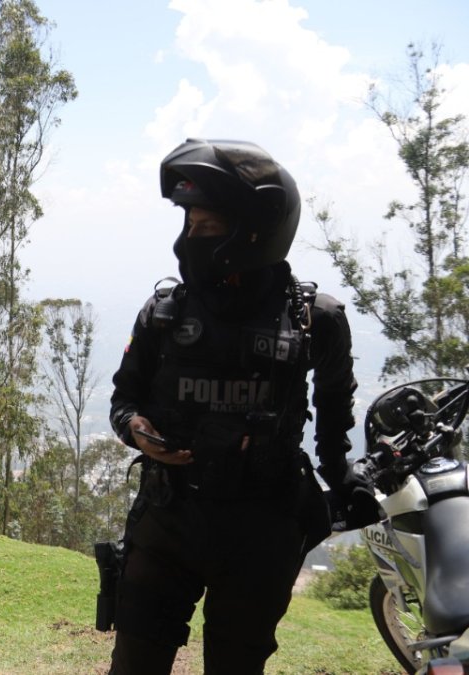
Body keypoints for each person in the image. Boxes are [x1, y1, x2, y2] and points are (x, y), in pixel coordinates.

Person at [106, 139, 378, 673]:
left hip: (263, 530)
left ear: (254, 231)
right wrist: (134, 428)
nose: (190, 239)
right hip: (168, 522)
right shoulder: (164, 312)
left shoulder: (314, 319)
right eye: (188, 224)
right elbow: (124, 399)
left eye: (206, 225)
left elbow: (333, 406)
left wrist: (341, 476)